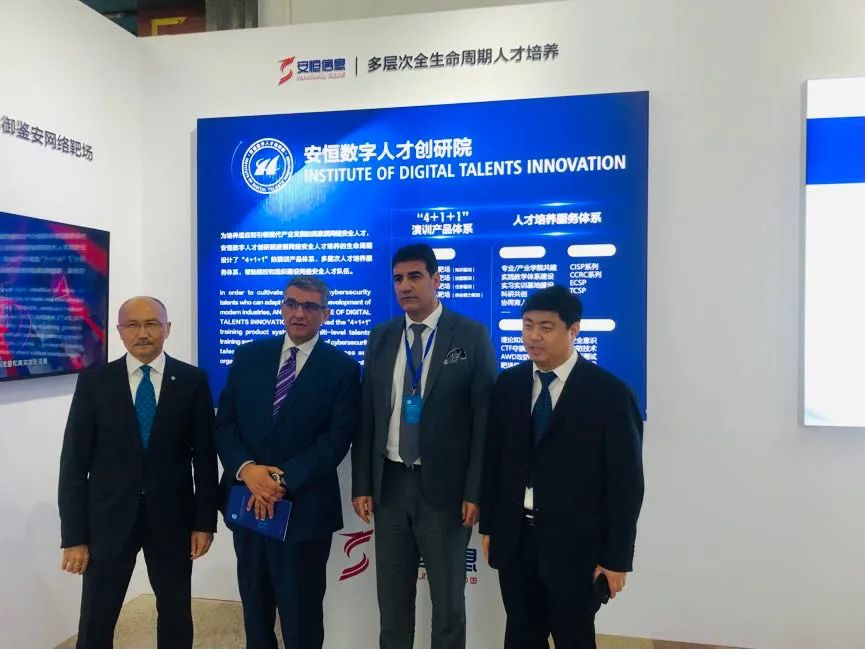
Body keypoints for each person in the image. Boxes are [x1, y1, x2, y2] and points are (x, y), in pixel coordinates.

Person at [479, 285, 644, 649]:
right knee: (520, 636)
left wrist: (617, 558)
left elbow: (626, 484)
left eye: (546, 327)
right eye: (527, 325)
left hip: (576, 547)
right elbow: (495, 461)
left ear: (574, 330)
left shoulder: (610, 395)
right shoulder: (509, 385)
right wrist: (490, 525)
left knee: (574, 638)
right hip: (516, 541)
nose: (533, 337)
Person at [351, 243, 496, 649]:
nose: (405, 286)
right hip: (390, 485)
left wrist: (475, 490)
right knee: (392, 599)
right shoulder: (381, 337)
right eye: (398, 279)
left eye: (415, 276)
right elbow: (367, 416)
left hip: (445, 491)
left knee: (447, 601)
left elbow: (484, 421)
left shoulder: (469, 335)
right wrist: (362, 484)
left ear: (436, 280)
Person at [58, 296, 218, 649]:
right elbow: (73, 464)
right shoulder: (95, 382)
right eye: (132, 325)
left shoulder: (191, 381)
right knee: (97, 614)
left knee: (175, 611)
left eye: (151, 324)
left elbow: (205, 459)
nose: (142, 333)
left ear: (167, 329)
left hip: (173, 519)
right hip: (108, 520)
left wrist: (204, 522)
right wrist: (74, 536)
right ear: (119, 331)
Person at [215, 275, 360, 649]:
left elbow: (335, 441)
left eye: (310, 306)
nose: (299, 313)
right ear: (282, 307)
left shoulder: (342, 368)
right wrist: (248, 471)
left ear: (326, 314)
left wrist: (277, 481)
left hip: (303, 509)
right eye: (292, 304)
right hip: (247, 502)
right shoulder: (248, 356)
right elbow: (225, 424)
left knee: (301, 614)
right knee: (255, 608)